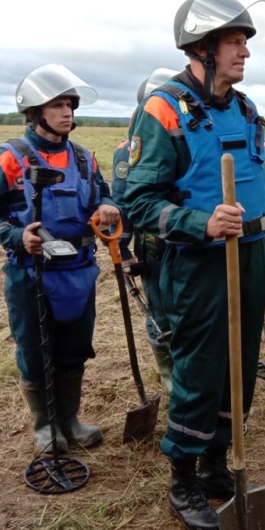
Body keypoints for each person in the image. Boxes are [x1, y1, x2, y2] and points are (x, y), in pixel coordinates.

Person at [123, 0, 265, 530]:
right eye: (236, 43)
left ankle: (217, 461)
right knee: (201, 371)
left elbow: (262, 188)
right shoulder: (164, 109)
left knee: (239, 370)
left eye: (244, 43)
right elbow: (138, 202)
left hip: (251, 258)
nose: (245, 54)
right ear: (203, 48)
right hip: (201, 267)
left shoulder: (248, 109)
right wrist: (200, 223)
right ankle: (183, 477)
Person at [0, 63, 119, 453]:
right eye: (57, 105)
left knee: (74, 349)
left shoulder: (85, 159)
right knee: (36, 351)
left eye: (70, 104)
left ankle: (70, 419)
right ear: (34, 112)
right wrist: (17, 236)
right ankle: (45, 424)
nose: (67, 112)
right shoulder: (9, 158)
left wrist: (107, 206)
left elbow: (105, 194)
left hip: (80, 272)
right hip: (30, 274)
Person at [111, 68, 177, 391]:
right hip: (154, 247)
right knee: (159, 311)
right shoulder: (128, 151)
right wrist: (121, 251)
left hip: (188, 241)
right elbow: (123, 203)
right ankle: (167, 369)